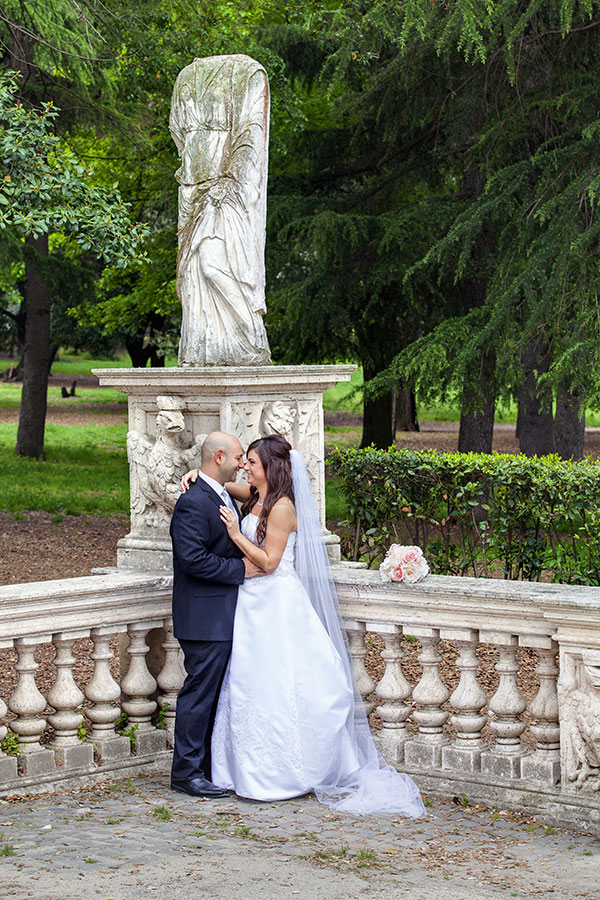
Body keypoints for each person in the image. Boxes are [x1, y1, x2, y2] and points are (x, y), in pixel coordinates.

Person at [180, 435, 425, 817]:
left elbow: (270, 562)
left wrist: (233, 535)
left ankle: (285, 770)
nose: (246, 465)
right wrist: (199, 472)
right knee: (248, 683)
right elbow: (224, 482)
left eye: (254, 462)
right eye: (244, 461)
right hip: (250, 605)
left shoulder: (281, 508)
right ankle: (239, 768)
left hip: (275, 601)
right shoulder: (255, 494)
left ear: (272, 468)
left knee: (282, 682)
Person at [169, 431, 265, 798]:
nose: (243, 464)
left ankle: (206, 766)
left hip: (222, 614)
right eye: (239, 457)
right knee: (199, 694)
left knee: (214, 695)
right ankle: (186, 773)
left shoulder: (218, 492)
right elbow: (191, 559)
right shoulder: (193, 502)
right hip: (204, 617)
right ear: (220, 456)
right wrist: (240, 570)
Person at [169, 54, 272, 366]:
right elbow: (179, 136)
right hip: (191, 189)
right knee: (191, 275)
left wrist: (231, 178)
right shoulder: (186, 78)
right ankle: (201, 348)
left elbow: (250, 135)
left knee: (215, 263)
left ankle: (249, 337)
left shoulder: (247, 73)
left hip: (226, 189)